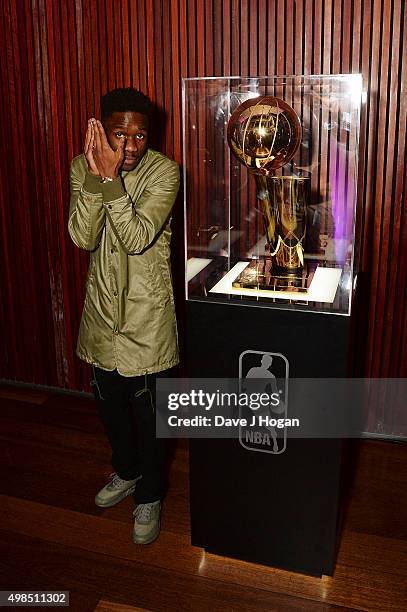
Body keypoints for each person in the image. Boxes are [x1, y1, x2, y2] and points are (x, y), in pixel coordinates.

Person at [68, 88, 180, 544]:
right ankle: (127, 471)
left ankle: (150, 494)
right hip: (101, 314)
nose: (130, 146)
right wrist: (97, 177)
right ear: (101, 129)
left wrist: (111, 180)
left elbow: (135, 237)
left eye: (140, 135)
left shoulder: (165, 172)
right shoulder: (82, 166)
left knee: (152, 416)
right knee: (109, 406)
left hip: (147, 318)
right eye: (119, 134)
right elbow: (81, 235)